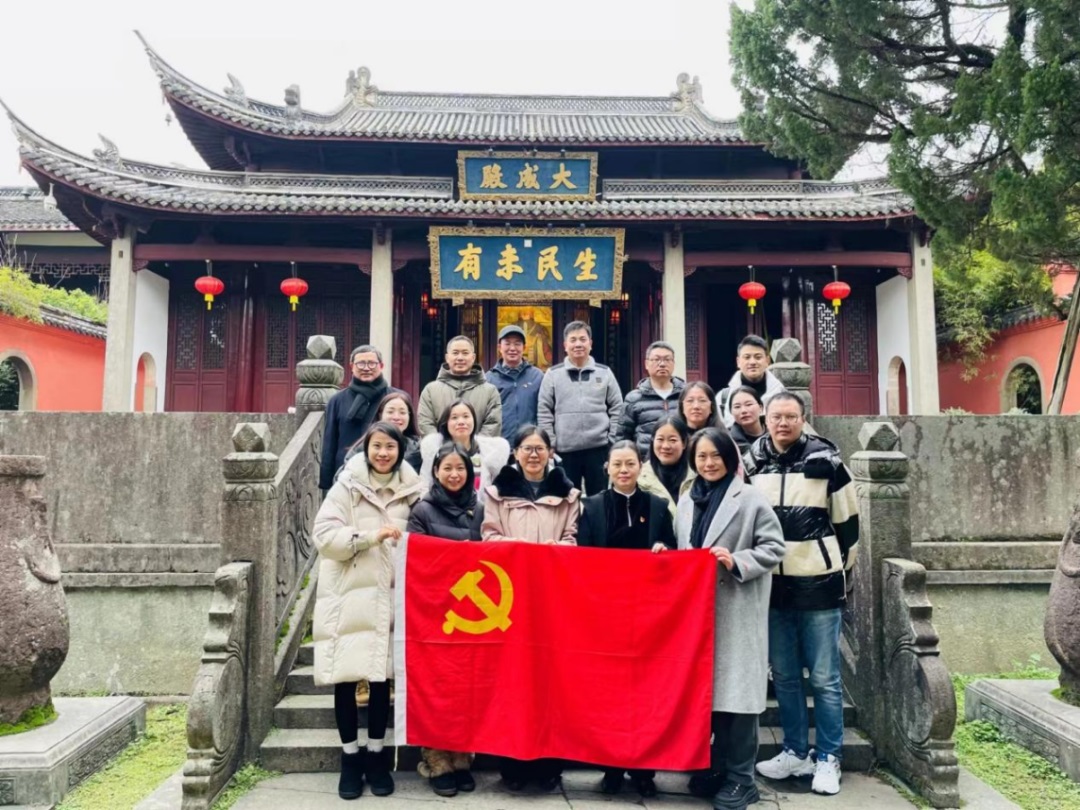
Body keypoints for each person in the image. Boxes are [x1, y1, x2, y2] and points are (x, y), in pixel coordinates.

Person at [748, 392, 859, 797]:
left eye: (790, 417)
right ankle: (795, 750)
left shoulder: (826, 461)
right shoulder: (752, 461)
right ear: (765, 418)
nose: (783, 423)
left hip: (817, 583)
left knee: (825, 678)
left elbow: (848, 523)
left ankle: (828, 756)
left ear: (803, 418)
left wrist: (836, 566)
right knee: (786, 676)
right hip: (772, 587)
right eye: (776, 416)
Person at [676, 427, 786, 809]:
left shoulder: (750, 498)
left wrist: (737, 561)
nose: (709, 463)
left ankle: (743, 779)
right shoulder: (687, 499)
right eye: (701, 457)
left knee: (738, 699)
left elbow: (775, 547)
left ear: (730, 458)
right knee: (711, 696)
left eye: (715, 456)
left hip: (736, 606)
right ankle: (717, 767)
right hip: (700, 614)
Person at [312, 421, 423, 800]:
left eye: (390, 447)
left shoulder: (414, 490)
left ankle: (376, 756)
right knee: (345, 679)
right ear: (366, 448)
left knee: (380, 681)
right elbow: (324, 536)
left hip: (392, 597)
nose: (383, 453)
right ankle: (350, 757)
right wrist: (369, 537)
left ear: (400, 450)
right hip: (349, 594)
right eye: (377, 446)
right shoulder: (347, 486)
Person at [480, 425, 580, 792]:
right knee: (514, 683)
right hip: (510, 599)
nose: (533, 454)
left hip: (553, 599)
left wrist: (555, 551)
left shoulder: (569, 495)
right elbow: (489, 536)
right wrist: (519, 550)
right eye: (526, 448)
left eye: (540, 448)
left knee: (552, 683)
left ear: (551, 453)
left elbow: (572, 538)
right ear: (515, 453)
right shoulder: (497, 493)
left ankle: (549, 766)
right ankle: (513, 766)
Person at [577, 440, 675, 798]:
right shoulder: (592, 506)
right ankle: (611, 767)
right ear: (606, 467)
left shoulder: (658, 506)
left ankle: (644, 769)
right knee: (609, 694)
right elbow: (583, 558)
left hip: (649, 616)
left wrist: (665, 550)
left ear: (640, 466)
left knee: (646, 692)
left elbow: (673, 550)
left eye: (629, 463)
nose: (623, 470)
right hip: (605, 614)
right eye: (616, 464)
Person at [406, 444, 479, 796]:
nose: (454, 474)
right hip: (433, 611)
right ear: (435, 472)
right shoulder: (421, 510)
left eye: (460, 468)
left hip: (473, 614)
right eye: (447, 468)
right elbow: (417, 557)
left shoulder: (480, 508)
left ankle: (462, 757)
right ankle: (436, 760)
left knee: (467, 687)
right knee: (435, 686)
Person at [537, 321, 623, 495]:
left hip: (599, 449)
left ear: (590, 343)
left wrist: (612, 441)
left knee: (599, 498)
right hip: (565, 450)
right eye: (573, 340)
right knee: (566, 499)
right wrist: (550, 443)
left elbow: (618, 408)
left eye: (583, 339)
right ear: (565, 345)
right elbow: (544, 411)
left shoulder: (604, 373)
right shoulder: (553, 374)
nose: (578, 344)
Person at [319, 344, 402, 491]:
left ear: (381, 366)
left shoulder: (395, 398)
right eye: (361, 363)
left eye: (372, 363)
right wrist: (326, 483)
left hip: (386, 471)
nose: (366, 368)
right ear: (351, 366)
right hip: (346, 472)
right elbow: (329, 443)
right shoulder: (337, 400)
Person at [418, 400, 510, 501]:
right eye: (454, 417)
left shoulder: (487, 453)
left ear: (474, 420)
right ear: (446, 422)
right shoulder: (435, 452)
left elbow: (500, 490)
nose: (461, 422)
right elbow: (425, 485)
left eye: (466, 416)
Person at [417, 335, 502, 438]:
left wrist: (474, 446)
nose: (460, 358)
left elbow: (492, 424)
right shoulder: (430, 391)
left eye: (465, 353)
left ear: (473, 357)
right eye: (455, 353)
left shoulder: (490, 391)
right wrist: (441, 446)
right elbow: (425, 423)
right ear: (447, 358)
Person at [619, 341, 686, 459]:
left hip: (681, 460)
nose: (662, 364)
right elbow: (623, 436)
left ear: (673, 363)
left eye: (667, 359)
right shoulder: (634, 398)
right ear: (646, 364)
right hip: (646, 462)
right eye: (656, 359)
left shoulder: (686, 395)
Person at [486, 324, 545, 443]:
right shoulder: (489, 378)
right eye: (507, 343)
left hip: (530, 444)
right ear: (499, 347)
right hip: (500, 444)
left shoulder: (537, 376)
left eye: (517, 344)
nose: (512, 348)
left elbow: (545, 412)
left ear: (524, 347)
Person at [342, 392, 422, 478]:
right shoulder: (361, 449)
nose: (396, 417)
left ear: (410, 416)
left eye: (402, 412)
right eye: (390, 412)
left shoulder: (420, 450)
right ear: (380, 414)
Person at [717, 336, 785, 427]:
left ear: (767, 361)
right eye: (747, 357)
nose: (752, 362)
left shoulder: (782, 395)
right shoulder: (723, 398)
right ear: (738, 362)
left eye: (758, 357)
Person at [636, 415, 695, 519]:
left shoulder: (697, 475)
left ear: (684, 443)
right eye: (660, 439)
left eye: (672, 440)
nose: (666, 446)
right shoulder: (639, 477)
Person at [728, 386, 766, 456]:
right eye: (737, 407)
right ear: (731, 412)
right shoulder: (728, 441)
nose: (743, 411)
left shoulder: (776, 432)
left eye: (749, 404)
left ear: (760, 408)